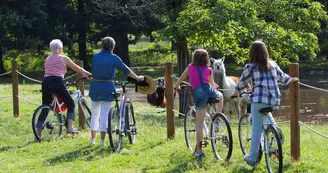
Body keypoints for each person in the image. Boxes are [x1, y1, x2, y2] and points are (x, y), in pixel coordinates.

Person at [231, 40, 298, 167]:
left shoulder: (249, 67)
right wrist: (293, 79)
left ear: (252, 54)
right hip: (274, 101)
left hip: (258, 101)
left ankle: (252, 158)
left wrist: (236, 93)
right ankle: (275, 131)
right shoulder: (273, 64)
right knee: (266, 114)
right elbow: (284, 79)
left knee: (256, 130)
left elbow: (240, 85)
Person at [89, 36, 144, 146]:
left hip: (95, 86)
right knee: (105, 114)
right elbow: (126, 70)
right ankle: (102, 141)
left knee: (95, 114)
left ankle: (92, 140)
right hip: (107, 87)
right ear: (112, 46)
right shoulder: (114, 58)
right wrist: (137, 78)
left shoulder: (95, 56)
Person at [174, 48, 224, 159]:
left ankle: (199, 152)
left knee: (199, 125)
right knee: (220, 96)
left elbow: (181, 79)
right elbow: (211, 83)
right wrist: (215, 86)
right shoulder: (209, 69)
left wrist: (176, 86)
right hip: (209, 91)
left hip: (199, 95)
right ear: (207, 59)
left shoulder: (190, 67)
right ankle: (217, 118)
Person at [38, 39, 92, 135]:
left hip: (45, 82)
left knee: (45, 106)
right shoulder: (64, 58)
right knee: (70, 104)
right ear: (60, 49)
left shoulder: (47, 58)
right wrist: (87, 73)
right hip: (57, 82)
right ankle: (70, 128)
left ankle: (38, 133)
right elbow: (77, 68)